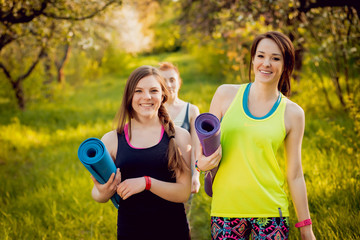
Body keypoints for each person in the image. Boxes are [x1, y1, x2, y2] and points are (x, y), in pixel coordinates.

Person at [196, 31, 316, 239]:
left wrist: (306, 228)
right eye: (260, 56)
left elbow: (295, 174)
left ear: (286, 65)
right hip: (227, 209)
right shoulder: (225, 95)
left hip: (271, 212)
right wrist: (200, 165)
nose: (266, 63)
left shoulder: (293, 113)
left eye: (275, 58)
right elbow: (204, 147)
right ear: (252, 59)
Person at [90, 65, 192, 240]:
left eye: (154, 90)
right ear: (129, 96)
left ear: (163, 95)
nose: (147, 97)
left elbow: (183, 192)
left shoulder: (180, 137)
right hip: (131, 232)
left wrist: (147, 183)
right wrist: (103, 191)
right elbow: (97, 195)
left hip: (173, 231)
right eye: (138, 91)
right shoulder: (111, 140)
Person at [158, 62, 201, 196]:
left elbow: (196, 146)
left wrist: (196, 175)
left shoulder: (191, 110)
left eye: (172, 80)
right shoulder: (154, 111)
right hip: (158, 176)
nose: (169, 85)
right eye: (164, 81)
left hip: (184, 175)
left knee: (181, 216)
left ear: (179, 82)